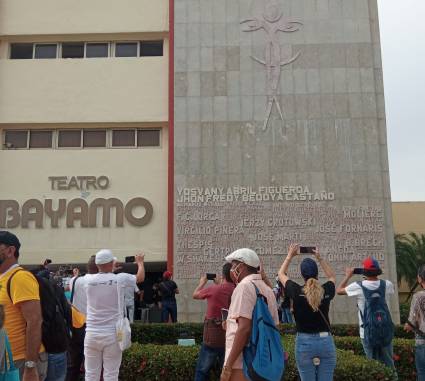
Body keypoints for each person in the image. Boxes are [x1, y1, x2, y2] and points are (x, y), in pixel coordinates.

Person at [83, 249, 145, 381]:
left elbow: (98, 275)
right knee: (111, 374)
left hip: (91, 334)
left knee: (90, 375)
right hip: (113, 334)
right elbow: (140, 277)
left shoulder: (87, 280)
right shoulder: (120, 278)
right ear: (111, 262)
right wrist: (140, 263)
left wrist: (108, 267)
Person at [278, 244, 336, 381]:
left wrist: (289, 256)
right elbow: (332, 277)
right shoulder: (326, 290)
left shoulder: (296, 291)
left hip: (304, 342)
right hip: (325, 341)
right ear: (317, 273)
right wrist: (319, 258)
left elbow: (281, 274)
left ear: (302, 275)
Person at [220, 248, 278, 381]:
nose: (232, 269)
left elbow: (244, 328)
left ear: (242, 266)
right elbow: (275, 326)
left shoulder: (244, 287)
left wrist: (228, 366)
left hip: (242, 361)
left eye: (234, 265)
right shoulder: (268, 290)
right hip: (262, 359)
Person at [0, 230, 48, 381]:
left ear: (10, 251)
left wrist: (30, 365)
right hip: (6, 361)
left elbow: (34, 322)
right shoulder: (3, 278)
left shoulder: (20, 278)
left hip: (19, 362)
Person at [336, 257, 396, 374]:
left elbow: (339, 290)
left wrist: (348, 275)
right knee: (389, 365)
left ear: (364, 271)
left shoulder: (358, 286)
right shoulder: (387, 284)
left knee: (372, 366)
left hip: (367, 332)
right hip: (385, 330)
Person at [193, 264, 235, 381]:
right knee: (225, 372)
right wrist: (220, 284)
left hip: (212, 337)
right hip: (229, 338)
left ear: (223, 275)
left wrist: (202, 282)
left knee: (202, 371)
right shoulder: (237, 289)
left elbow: (195, 294)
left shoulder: (214, 289)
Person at [65, 256, 98, 381]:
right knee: (93, 364)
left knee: (73, 363)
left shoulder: (75, 280)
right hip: (94, 327)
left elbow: (68, 287)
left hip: (76, 325)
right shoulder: (100, 282)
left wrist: (76, 275)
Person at [404, 264, 425, 380]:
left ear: (420, 278)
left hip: (422, 341)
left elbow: (411, 323)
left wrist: (408, 326)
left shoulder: (418, 296)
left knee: (422, 374)